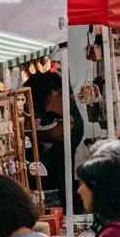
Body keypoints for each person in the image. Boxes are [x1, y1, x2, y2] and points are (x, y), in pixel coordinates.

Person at [26, 70, 85, 210]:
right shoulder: (57, 112)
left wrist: (33, 135)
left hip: (58, 187)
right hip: (56, 184)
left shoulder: (71, 122)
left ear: (53, 94)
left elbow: (56, 134)